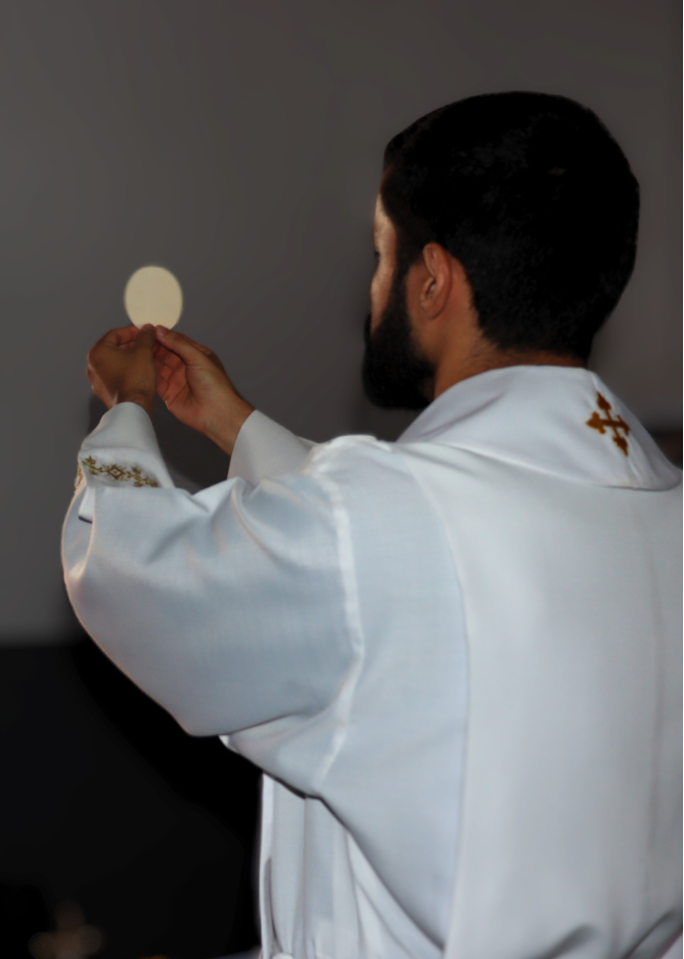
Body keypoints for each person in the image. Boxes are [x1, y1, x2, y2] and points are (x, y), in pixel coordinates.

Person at [65, 92, 680, 958]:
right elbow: (391, 541)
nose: (373, 286)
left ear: (434, 280)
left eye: (382, 254)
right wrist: (238, 428)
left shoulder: (383, 518)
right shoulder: (659, 506)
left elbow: (136, 572)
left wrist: (126, 408)